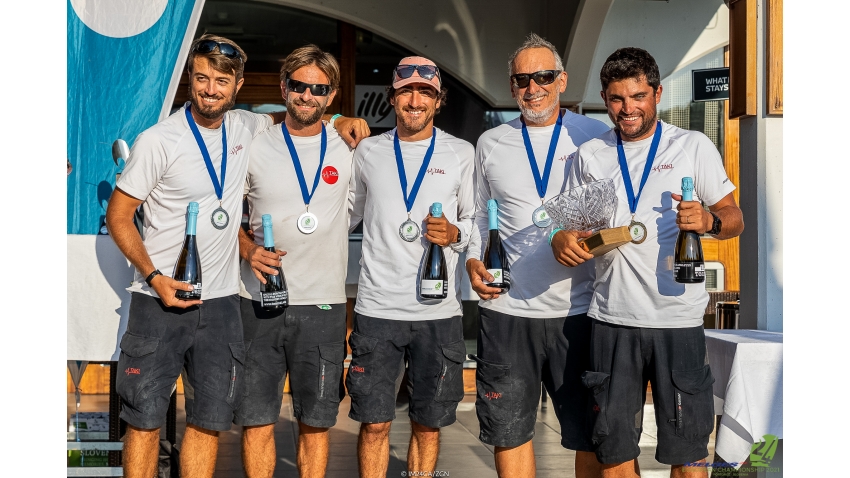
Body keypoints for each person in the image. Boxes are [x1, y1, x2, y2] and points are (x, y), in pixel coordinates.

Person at [105, 34, 366, 478]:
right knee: (144, 420)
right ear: (190, 78)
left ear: (238, 85)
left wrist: (341, 119)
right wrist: (152, 277)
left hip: (224, 302)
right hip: (161, 299)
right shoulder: (159, 140)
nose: (210, 89)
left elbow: (305, 117)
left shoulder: (249, 127)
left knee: (208, 423)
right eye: (202, 78)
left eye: (221, 81)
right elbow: (119, 215)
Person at [553, 47, 744, 478]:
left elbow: (734, 219)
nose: (628, 108)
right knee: (614, 453)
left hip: (678, 320)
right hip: (611, 320)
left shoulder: (692, 145)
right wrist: (562, 238)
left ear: (657, 92)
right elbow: (571, 230)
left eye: (638, 96)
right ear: (605, 98)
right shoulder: (590, 155)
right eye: (617, 99)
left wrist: (710, 220)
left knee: (690, 456)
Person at [464, 33, 610, 478]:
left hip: (580, 311)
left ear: (562, 80)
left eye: (544, 76)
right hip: (508, 311)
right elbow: (475, 217)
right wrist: (471, 261)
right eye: (523, 79)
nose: (534, 87)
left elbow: (611, 219)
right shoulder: (490, 143)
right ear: (512, 86)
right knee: (509, 432)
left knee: (589, 432)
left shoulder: (596, 136)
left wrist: (581, 237)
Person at [234, 45, 362, 478]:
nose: (308, 96)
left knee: (317, 423)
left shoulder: (350, 149)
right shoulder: (254, 145)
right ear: (284, 87)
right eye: (299, 86)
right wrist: (249, 249)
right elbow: (226, 214)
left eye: (319, 89)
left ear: (332, 95)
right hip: (257, 302)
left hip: (323, 305)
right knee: (256, 420)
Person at [347, 56, 474, 478]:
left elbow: (475, 223)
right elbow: (346, 213)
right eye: (407, 92)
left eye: (426, 93)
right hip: (378, 310)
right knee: (375, 423)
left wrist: (455, 233)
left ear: (438, 101)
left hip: (437, 314)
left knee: (429, 423)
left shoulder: (460, 152)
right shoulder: (368, 151)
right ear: (393, 98)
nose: (415, 100)